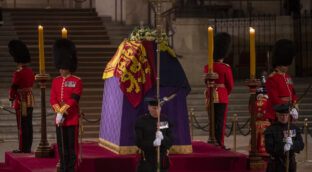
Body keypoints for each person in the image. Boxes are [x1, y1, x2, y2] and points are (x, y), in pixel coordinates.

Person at [50, 39, 82, 172]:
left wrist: (63, 111)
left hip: (71, 118)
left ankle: (72, 168)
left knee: (71, 146)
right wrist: (58, 111)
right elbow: (53, 98)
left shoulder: (77, 81)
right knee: (61, 146)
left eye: (63, 68)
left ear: (69, 67)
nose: (61, 70)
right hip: (59, 119)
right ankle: (63, 167)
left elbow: (74, 100)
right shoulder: (56, 81)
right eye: (60, 68)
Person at [204, 32, 233, 148]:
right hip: (222, 95)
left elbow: (205, 82)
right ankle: (220, 143)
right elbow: (230, 85)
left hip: (210, 95)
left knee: (212, 120)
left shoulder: (207, 66)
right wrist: (226, 93)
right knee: (220, 121)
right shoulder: (225, 67)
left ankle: (212, 141)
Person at [8, 40, 35, 153]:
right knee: (28, 124)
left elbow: (13, 87)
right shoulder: (30, 71)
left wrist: (11, 97)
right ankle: (28, 146)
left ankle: (22, 147)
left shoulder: (18, 72)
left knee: (22, 126)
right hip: (30, 100)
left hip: (21, 102)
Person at [135, 97, 174, 172]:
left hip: (161, 160)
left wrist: (163, 138)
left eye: (158, 108)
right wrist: (153, 143)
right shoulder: (141, 121)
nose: (156, 111)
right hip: (146, 161)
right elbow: (138, 142)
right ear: (149, 107)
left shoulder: (165, 120)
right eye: (154, 108)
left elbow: (171, 140)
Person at [264, 103, 304, 172]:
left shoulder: (293, 128)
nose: (284, 117)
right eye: (281, 115)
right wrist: (283, 148)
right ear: (277, 115)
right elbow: (269, 148)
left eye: (286, 115)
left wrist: (292, 144)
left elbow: (301, 145)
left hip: (290, 163)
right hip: (276, 163)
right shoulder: (271, 129)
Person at [266, 39, 298, 123]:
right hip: (279, 114)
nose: (287, 67)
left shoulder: (288, 77)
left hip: (289, 112)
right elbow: (274, 99)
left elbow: (293, 93)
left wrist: (294, 105)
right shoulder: (272, 78)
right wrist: (287, 109)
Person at [249, 77, 270, 156]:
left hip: (256, 124)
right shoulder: (268, 103)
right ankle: (264, 151)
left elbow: (251, 111)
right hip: (266, 124)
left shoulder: (254, 103)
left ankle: (254, 150)